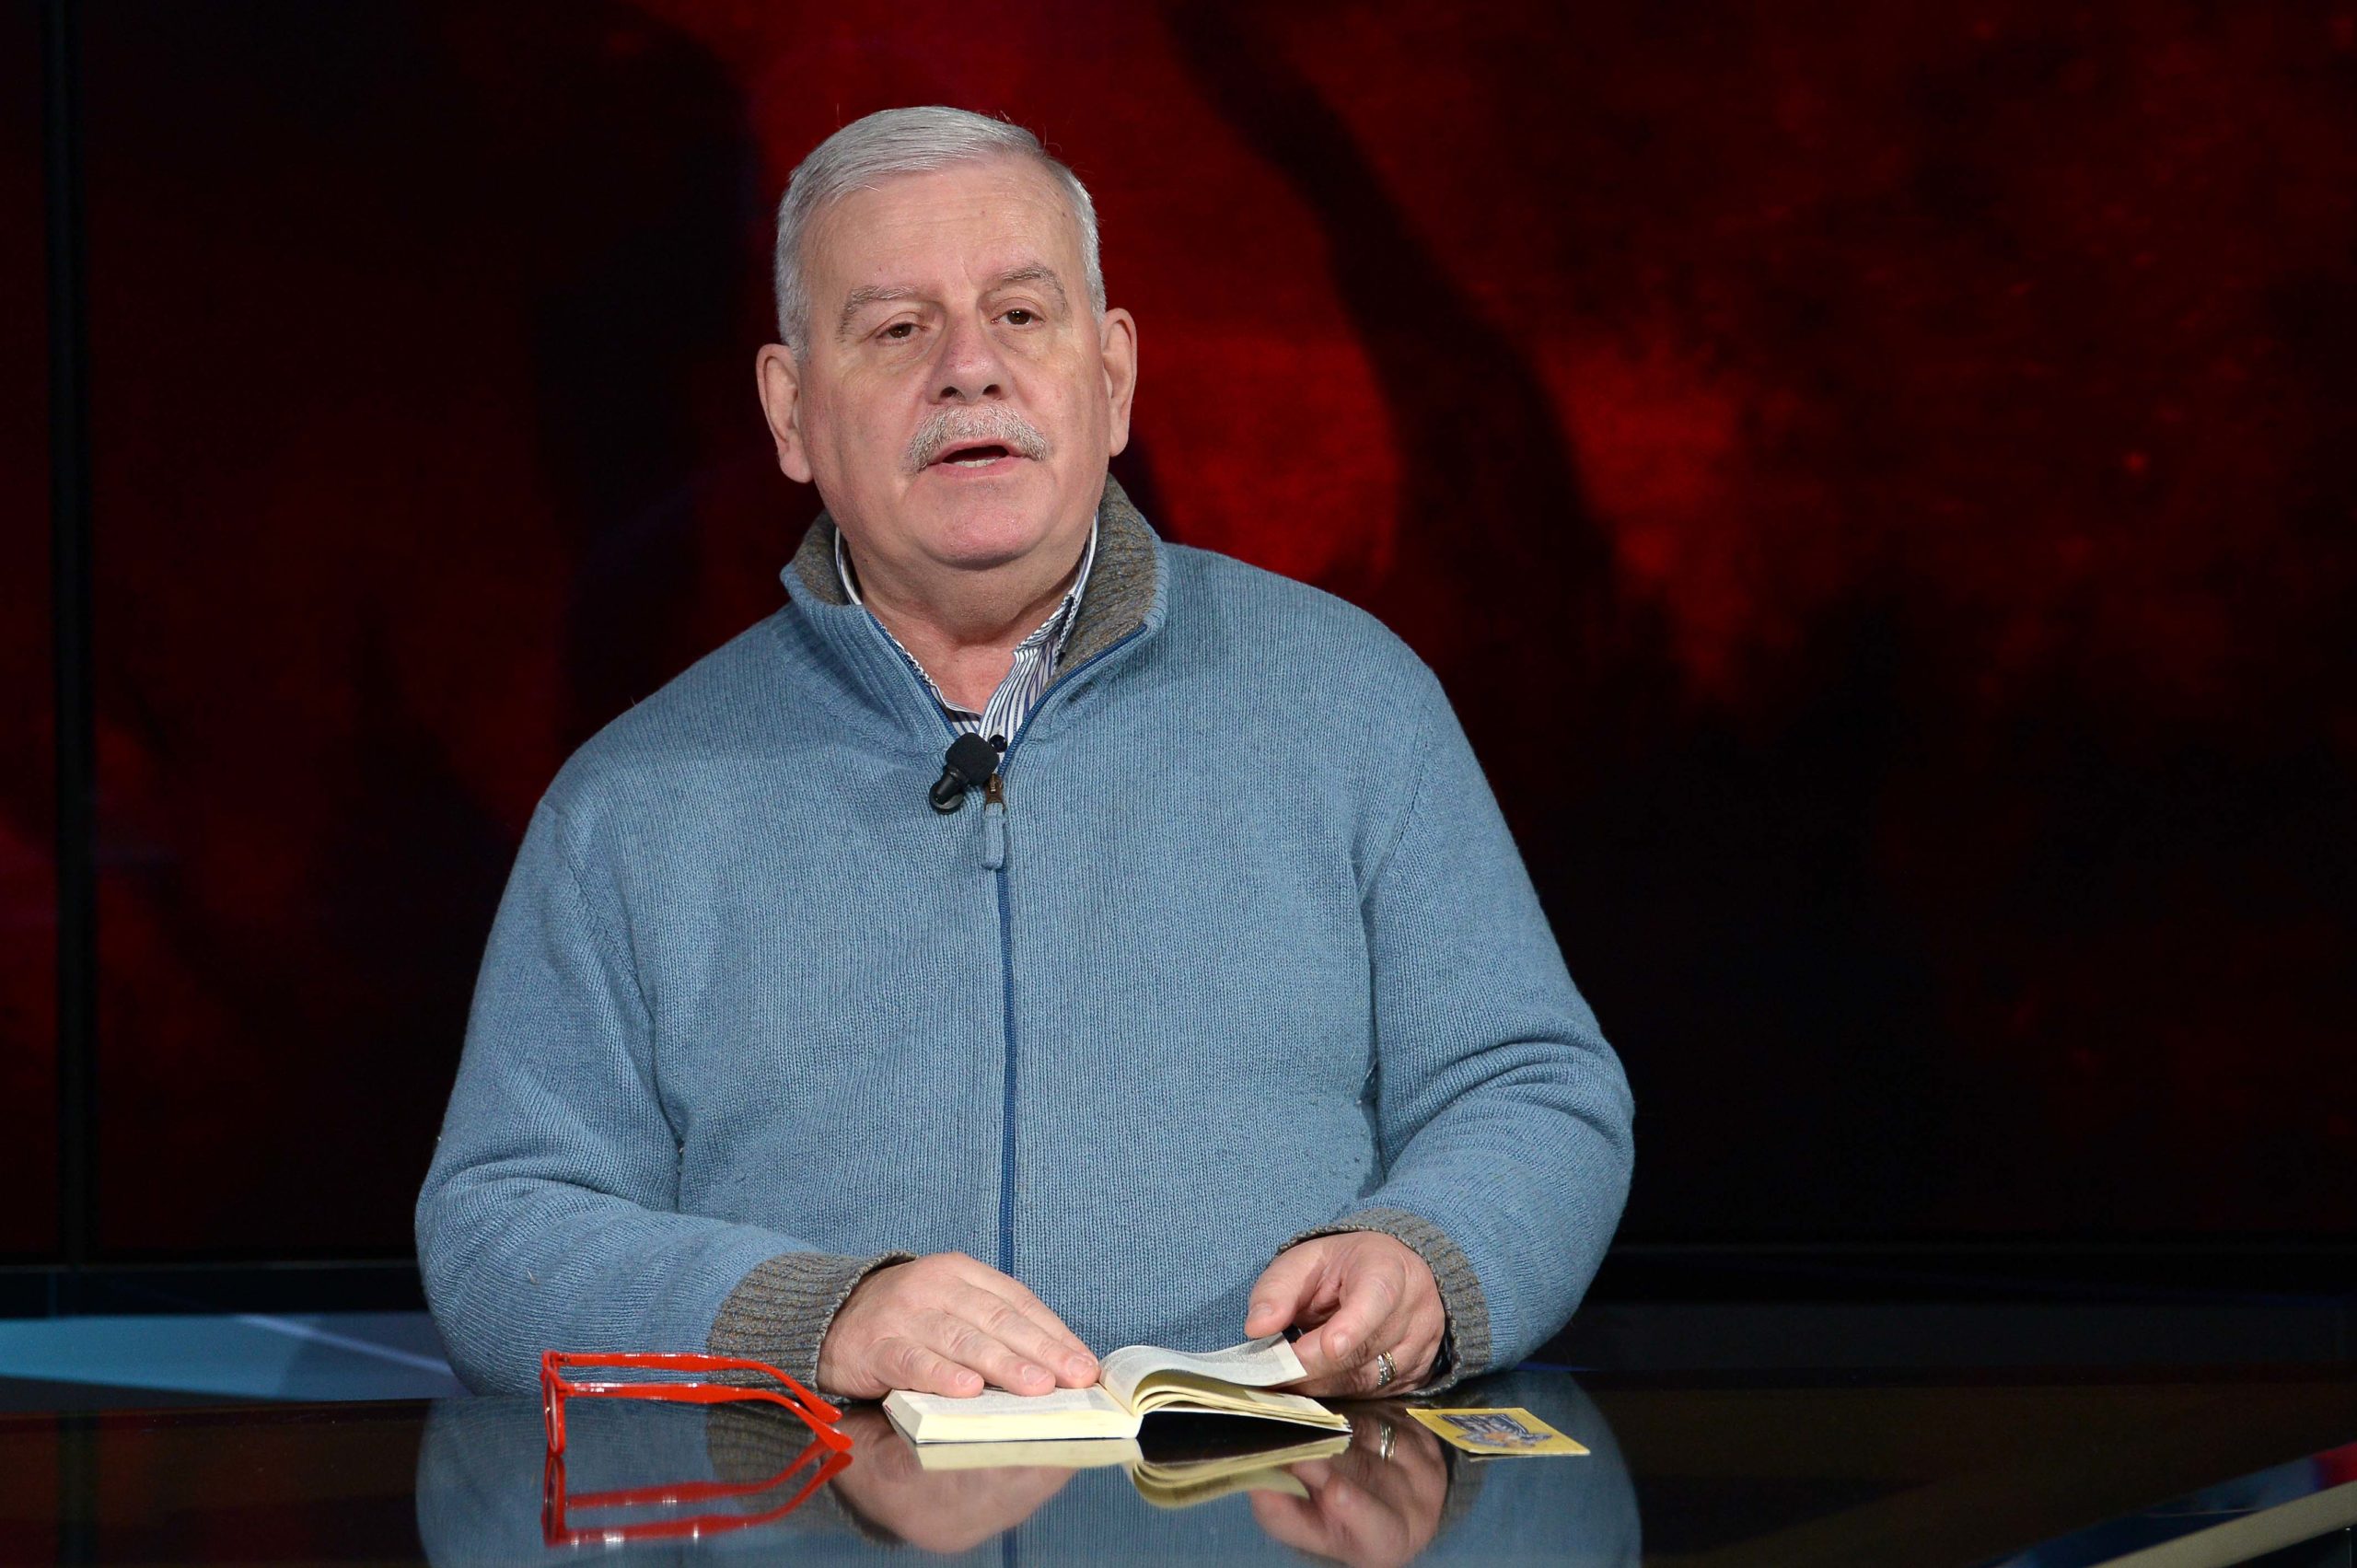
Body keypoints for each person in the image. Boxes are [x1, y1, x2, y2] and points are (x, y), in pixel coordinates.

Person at [415, 106, 1632, 1405]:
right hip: (829, 1509)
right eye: (898, 330)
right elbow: (499, 1233)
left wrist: (1429, 1261)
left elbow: (1534, 1092)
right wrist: (816, 1321)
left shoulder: (1353, 704)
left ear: (1112, 378)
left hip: (1278, 1497)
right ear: (790, 412)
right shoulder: (632, 802)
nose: (969, 371)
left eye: (1020, 314)